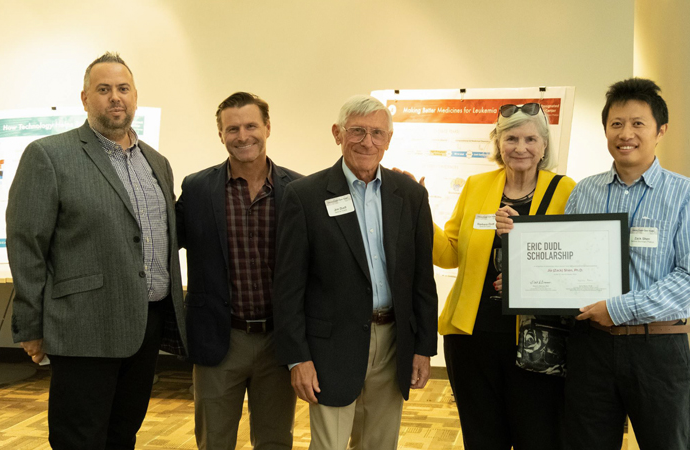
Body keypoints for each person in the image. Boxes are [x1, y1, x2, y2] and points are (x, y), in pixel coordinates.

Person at [6, 52, 187, 449]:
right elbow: (27, 243)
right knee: (80, 439)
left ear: (135, 97)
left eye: (122, 89)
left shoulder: (157, 163)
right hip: (84, 327)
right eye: (103, 90)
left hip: (147, 323)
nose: (115, 97)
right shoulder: (50, 156)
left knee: (124, 434)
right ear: (85, 98)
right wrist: (30, 325)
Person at [273, 95, 438, 450]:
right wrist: (297, 358)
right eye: (358, 131)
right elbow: (287, 287)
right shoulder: (304, 196)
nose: (368, 142)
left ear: (389, 140)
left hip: (393, 342)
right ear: (338, 134)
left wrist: (424, 346)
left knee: (380, 444)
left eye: (378, 133)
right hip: (330, 347)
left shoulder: (409, 195)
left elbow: (422, 278)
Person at [562, 78, 690, 450]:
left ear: (660, 130)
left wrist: (617, 308)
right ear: (606, 130)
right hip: (590, 348)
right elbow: (567, 260)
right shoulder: (585, 191)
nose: (625, 133)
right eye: (616, 124)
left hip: (657, 348)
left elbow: (689, 278)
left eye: (637, 123)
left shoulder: (688, 193)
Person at [431, 103, 576, 450]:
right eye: (511, 138)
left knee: (536, 436)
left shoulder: (565, 190)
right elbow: (450, 254)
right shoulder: (477, 185)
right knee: (481, 436)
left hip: (536, 338)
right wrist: (420, 212)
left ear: (544, 146)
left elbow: (573, 263)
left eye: (530, 138)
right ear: (498, 144)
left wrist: (525, 273)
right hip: (472, 337)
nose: (520, 147)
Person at [176, 92, 300, 450]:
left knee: (275, 441)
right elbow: (165, 244)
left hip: (279, 343)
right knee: (214, 441)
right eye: (232, 128)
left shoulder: (299, 190)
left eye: (251, 125)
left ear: (268, 128)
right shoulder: (197, 189)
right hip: (219, 339)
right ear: (220, 135)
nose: (242, 136)